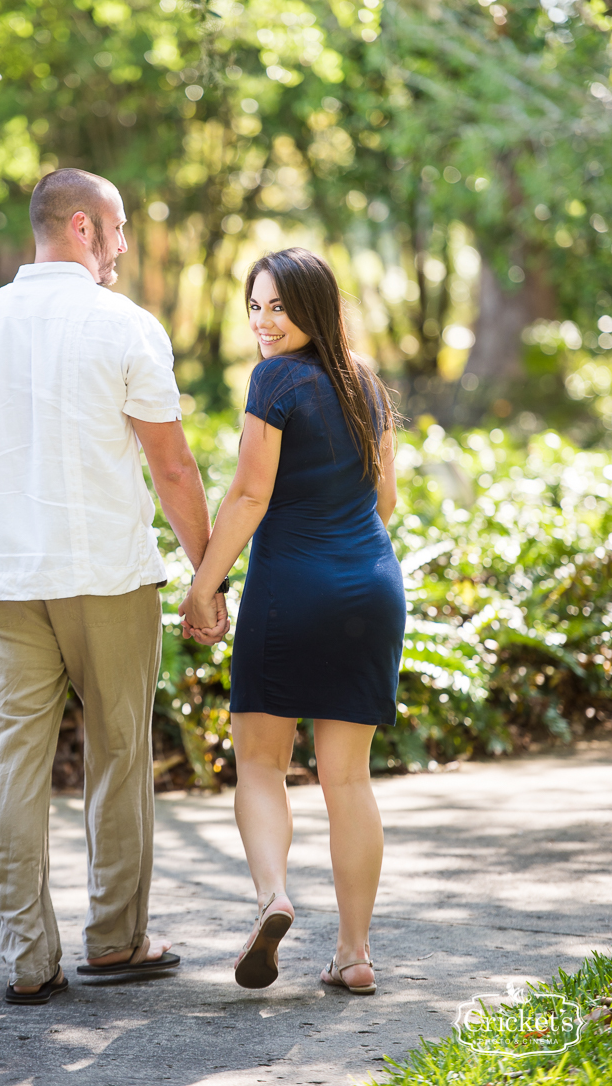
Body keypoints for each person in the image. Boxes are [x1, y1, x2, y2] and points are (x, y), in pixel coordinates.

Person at [0, 168, 228, 1004]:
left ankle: (29, 960)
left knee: (11, 765)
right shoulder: (123, 327)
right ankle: (115, 939)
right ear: (82, 228)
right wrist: (208, 576)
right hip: (105, 574)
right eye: (120, 228)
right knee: (120, 752)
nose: (126, 246)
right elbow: (170, 466)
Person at [180, 247, 404, 995]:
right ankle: (354, 953)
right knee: (347, 779)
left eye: (278, 306)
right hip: (370, 588)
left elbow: (248, 495)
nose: (264, 322)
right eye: (255, 306)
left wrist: (201, 587)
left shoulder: (274, 379)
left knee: (259, 762)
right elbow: (384, 502)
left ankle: (273, 896)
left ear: (313, 308)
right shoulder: (363, 384)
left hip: (290, 588)